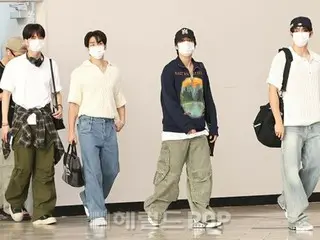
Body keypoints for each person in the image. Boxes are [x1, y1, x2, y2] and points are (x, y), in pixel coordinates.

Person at [144, 28, 222, 229]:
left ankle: (202, 214)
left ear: (195, 44)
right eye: (182, 41)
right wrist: (186, 126)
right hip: (175, 133)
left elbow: (208, 98)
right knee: (169, 176)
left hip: (200, 132)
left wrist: (213, 127)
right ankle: (155, 210)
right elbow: (168, 102)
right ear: (176, 45)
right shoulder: (169, 70)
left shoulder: (200, 68)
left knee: (201, 175)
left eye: (189, 40)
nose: (186, 44)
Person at [0, 23, 64, 225]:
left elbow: (56, 91)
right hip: (21, 119)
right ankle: (15, 203)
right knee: (23, 166)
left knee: (45, 167)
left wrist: (59, 105)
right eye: (32, 37)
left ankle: (43, 212)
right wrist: (4, 124)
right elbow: (6, 95)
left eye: (40, 37)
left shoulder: (51, 64)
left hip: (44, 118)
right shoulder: (14, 65)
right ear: (25, 41)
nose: (36, 41)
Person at [68, 30, 126, 226]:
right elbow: (74, 103)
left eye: (99, 43)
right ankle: (96, 213)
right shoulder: (79, 72)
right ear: (88, 47)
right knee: (93, 170)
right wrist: (71, 132)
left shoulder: (114, 71)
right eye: (92, 43)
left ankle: (88, 198)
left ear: (105, 45)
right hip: (87, 125)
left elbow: (119, 98)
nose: (97, 47)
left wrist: (122, 119)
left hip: (109, 125)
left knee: (111, 169)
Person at [267, 16, 320, 231]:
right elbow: (272, 89)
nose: (301, 34)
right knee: (290, 172)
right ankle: (297, 218)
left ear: (311, 33)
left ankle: (287, 201)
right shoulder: (283, 58)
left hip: (316, 124)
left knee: (314, 168)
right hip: (291, 125)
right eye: (297, 30)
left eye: (304, 30)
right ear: (291, 33)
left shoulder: (317, 60)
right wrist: (279, 121)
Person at [0, 37, 31, 220]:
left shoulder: (20, 70)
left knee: (18, 165)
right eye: (18, 55)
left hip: (19, 124)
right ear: (8, 51)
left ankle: (14, 204)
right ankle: (8, 205)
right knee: (7, 165)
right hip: (4, 125)